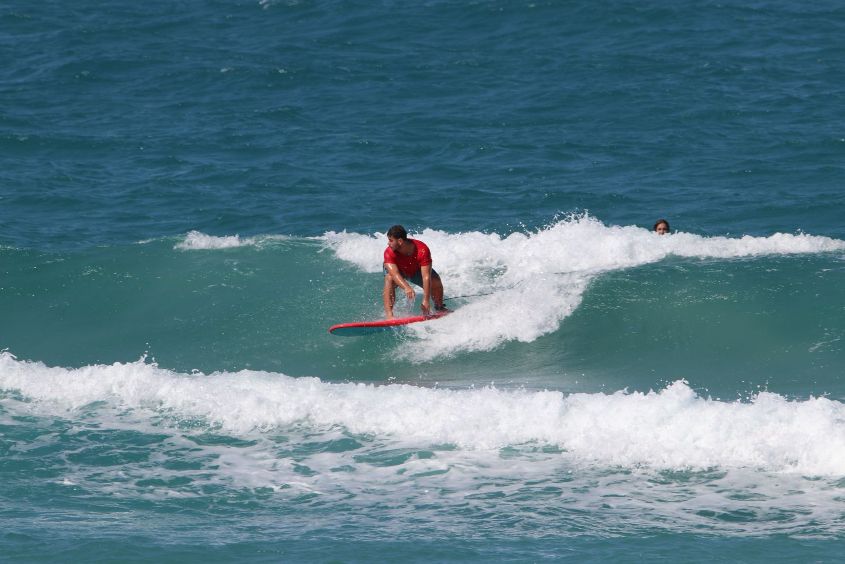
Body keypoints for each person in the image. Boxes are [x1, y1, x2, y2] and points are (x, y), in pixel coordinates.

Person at [383, 225, 446, 319]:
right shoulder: (389, 252)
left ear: (400, 241)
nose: (388, 243)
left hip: (415, 269)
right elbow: (395, 274)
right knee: (389, 278)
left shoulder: (422, 249)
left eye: (391, 240)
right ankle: (389, 315)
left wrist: (426, 300)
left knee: (436, 281)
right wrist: (407, 287)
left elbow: (426, 276)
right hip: (398, 271)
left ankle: (439, 307)